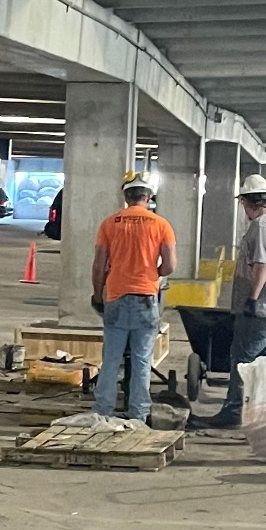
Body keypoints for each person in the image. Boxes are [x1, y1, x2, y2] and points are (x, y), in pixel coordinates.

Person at [194, 173, 266, 430]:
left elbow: (261, 265)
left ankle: (234, 412)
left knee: (242, 359)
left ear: (246, 202)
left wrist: (252, 298)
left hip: (263, 305)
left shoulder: (261, 226)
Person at [90, 177, 177, 424]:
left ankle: (102, 412)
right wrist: (153, 274)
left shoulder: (109, 224)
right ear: (148, 198)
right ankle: (138, 415)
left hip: (116, 298)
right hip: (145, 299)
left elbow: (98, 265)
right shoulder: (161, 224)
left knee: (111, 360)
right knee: (141, 360)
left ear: (126, 198)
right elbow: (169, 265)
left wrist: (98, 295)